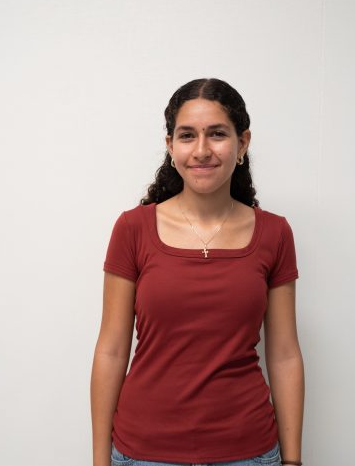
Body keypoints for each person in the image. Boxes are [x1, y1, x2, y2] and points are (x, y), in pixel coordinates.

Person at [90, 78, 304, 466]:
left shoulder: (275, 233)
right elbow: (111, 349)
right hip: (144, 453)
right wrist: (99, 460)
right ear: (171, 146)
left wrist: (292, 461)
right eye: (187, 135)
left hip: (249, 453)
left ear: (243, 143)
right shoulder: (133, 229)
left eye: (217, 134)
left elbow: (285, 354)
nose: (202, 150)